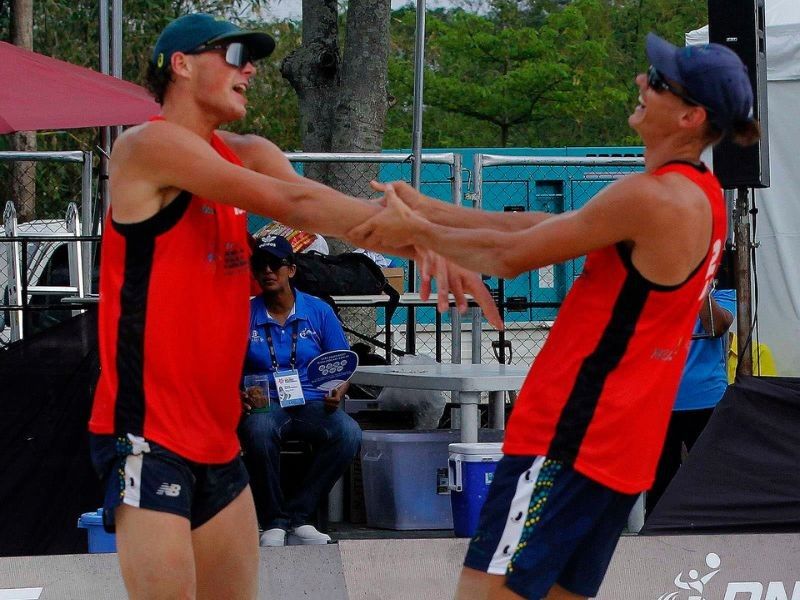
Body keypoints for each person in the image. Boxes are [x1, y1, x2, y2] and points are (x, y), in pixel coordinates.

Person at [86, 12, 499, 600]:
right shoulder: (146, 147)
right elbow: (294, 198)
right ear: (180, 65)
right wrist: (429, 240)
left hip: (216, 438)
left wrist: (445, 238)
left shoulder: (247, 151)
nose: (249, 68)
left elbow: (318, 207)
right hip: (148, 437)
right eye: (232, 56)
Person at [348, 33, 760, 600]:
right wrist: (432, 211)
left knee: (485, 594)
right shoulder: (701, 195)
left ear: (691, 116)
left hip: (571, 433)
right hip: (620, 442)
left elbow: (510, 258)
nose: (642, 81)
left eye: (658, 81)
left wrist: (413, 231)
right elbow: (534, 233)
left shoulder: (652, 197)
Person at [238, 235, 361, 547]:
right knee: (258, 430)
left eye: (275, 264)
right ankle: (273, 521)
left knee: (348, 433)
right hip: (266, 401)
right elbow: (226, 367)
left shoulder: (318, 311)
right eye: (260, 265)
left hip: (313, 400)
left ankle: (300, 517)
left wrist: (339, 390)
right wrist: (235, 393)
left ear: (291, 270)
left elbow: (342, 364)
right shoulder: (243, 314)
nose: (267, 271)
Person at [645, 287, 735, 515]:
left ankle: (713, 534)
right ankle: (659, 537)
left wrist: (700, 285)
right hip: (661, 402)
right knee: (661, 484)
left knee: (710, 479)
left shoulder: (723, 292)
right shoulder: (658, 288)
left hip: (707, 399)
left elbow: (716, 326)